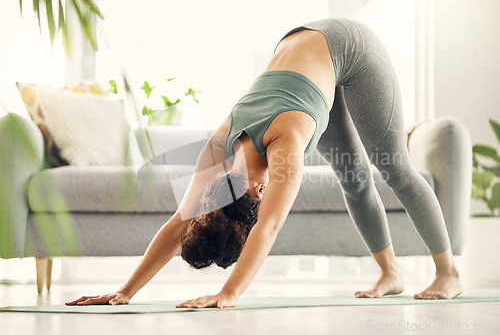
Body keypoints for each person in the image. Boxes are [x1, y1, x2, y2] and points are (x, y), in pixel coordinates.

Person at [66, 18, 462, 309]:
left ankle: (449, 274)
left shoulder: (282, 143)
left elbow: (268, 226)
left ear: (255, 191)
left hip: (350, 46)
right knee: (354, 179)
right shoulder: (220, 152)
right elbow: (180, 223)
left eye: (263, 195)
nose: (269, 191)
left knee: (395, 169)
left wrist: (229, 293)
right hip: (303, 55)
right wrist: (125, 291)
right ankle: (391, 273)